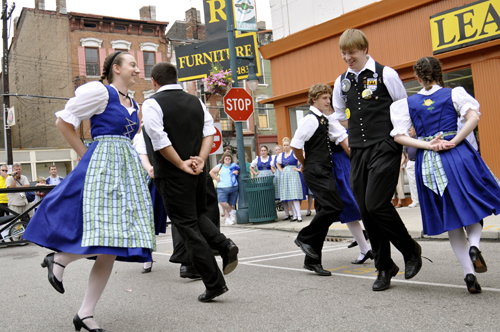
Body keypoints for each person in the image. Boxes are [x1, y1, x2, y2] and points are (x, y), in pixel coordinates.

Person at [23, 51, 157, 332]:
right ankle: (59, 258)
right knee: (106, 234)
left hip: (125, 169)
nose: (137, 69)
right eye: (133, 64)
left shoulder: (133, 102)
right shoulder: (101, 92)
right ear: (116, 68)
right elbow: (64, 122)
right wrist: (86, 155)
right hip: (103, 165)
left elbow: (133, 141)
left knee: (115, 243)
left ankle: (85, 312)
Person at [390, 56, 500, 293]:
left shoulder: (407, 103)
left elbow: (399, 136)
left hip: (429, 163)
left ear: (418, 78)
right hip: (457, 156)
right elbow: (473, 117)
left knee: (452, 219)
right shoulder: (455, 93)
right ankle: (474, 244)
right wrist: (454, 140)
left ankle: (468, 273)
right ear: (441, 73)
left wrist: (428, 145)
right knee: (472, 208)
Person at [139, 61, 238, 302]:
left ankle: (214, 283)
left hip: (173, 174)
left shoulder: (152, 103)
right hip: (197, 173)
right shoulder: (196, 101)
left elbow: (158, 138)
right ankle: (224, 246)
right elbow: (209, 132)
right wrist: (201, 160)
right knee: (196, 217)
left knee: (187, 228)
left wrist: (181, 163)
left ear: (154, 82)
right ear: (176, 79)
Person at [332, 28, 422, 291]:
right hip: (358, 150)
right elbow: (338, 113)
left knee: (376, 203)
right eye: (344, 53)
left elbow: (402, 106)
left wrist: (402, 138)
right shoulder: (342, 81)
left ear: (364, 49)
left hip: (385, 144)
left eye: (351, 53)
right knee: (365, 209)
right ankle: (384, 267)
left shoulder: (386, 73)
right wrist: (352, 136)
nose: (347, 58)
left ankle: (410, 250)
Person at [291, 83, 347, 276]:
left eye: (329, 97)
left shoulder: (324, 119)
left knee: (324, 212)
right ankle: (304, 237)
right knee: (334, 207)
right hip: (315, 170)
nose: (328, 101)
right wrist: (305, 162)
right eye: (324, 98)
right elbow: (295, 144)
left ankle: (312, 260)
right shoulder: (310, 119)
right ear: (314, 99)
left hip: (323, 169)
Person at [323, 108, 373, 265]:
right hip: (346, 164)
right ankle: (365, 247)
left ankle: (366, 248)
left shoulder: (332, 121)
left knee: (350, 207)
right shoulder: (347, 119)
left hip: (341, 165)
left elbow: (348, 148)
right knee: (354, 207)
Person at [276, 137, 305, 222]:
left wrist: (298, 168)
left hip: (293, 174)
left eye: (287, 145)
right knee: (289, 196)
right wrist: (281, 170)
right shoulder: (281, 155)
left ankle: (299, 215)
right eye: (284, 145)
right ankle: (295, 215)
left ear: (290, 145)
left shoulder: (294, 153)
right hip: (285, 175)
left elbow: (302, 158)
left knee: (294, 195)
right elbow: (277, 164)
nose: (286, 147)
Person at [210, 152, 239, 225]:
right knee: (222, 202)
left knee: (230, 203)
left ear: (231, 159)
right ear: (223, 160)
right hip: (222, 187)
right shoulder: (220, 166)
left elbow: (238, 170)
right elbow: (211, 172)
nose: (227, 160)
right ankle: (232, 212)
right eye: (226, 159)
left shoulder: (234, 165)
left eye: (229, 159)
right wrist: (216, 178)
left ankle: (227, 219)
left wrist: (236, 171)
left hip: (233, 186)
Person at [405, 127, 420, 208]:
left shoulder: (419, 138)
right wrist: (408, 163)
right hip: (411, 162)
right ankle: (415, 201)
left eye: (410, 130)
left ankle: (422, 200)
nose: (409, 132)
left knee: (420, 182)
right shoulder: (408, 140)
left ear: (414, 129)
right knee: (412, 183)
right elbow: (407, 153)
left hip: (418, 162)